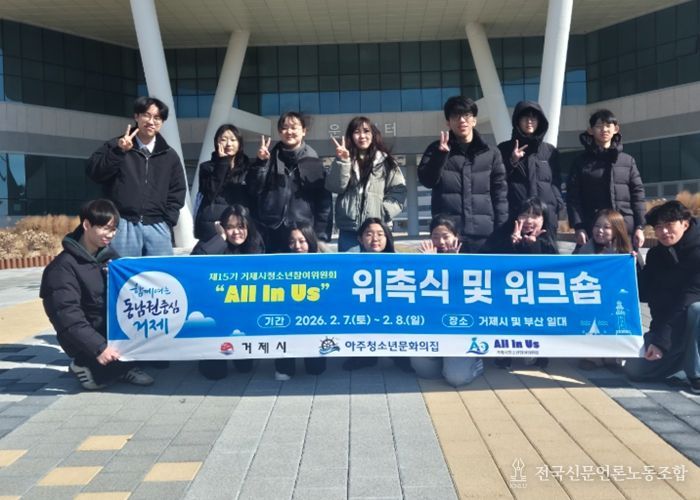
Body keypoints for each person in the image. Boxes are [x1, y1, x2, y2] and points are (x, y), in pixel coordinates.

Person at [39, 199, 154, 390]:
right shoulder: (62, 268)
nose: (111, 234)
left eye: (114, 229)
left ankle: (122, 366)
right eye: (105, 228)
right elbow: (67, 316)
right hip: (85, 337)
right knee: (100, 379)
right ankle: (82, 364)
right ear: (86, 225)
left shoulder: (110, 258)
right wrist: (99, 348)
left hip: (108, 328)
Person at [86, 96, 187, 257]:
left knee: (159, 271)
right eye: (146, 115)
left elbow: (177, 191)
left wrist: (168, 222)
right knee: (125, 270)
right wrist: (119, 152)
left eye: (157, 118)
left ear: (162, 122)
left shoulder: (169, 155)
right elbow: (95, 173)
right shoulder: (115, 145)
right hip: (123, 224)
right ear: (136, 116)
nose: (151, 121)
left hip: (157, 226)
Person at [624, 200, 700, 394]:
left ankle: (696, 373)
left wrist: (661, 342)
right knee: (634, 369)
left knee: (697, 309)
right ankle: (682, 364)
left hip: (692, 326)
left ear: (685, 223)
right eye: (658, 227)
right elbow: (644, 294)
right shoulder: (656, 255)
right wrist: (634, 265)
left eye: (669, 225)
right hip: (670, 327)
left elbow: (688, 299)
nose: (664, 231)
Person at [417, 95, 508, 253]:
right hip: (449, 235)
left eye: (466, 115)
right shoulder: (436, 149)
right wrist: (440, 156)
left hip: (485, 235)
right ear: (448, 122)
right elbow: (427, 181)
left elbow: (500, 195)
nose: (462, 120)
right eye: (455, 116)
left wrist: (502, 230)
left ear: (474, 120)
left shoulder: (491, 153)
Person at [191, 204, 264, 380]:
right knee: (216, 374)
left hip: (242, 312)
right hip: (215, 312)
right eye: (230, 227)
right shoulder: (212, 241)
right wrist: (221, 238)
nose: (236, 232)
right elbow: (194, 263)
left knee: (245, 368)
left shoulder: (255, 244)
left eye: (240, 227)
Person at [485, 198, 558, 369]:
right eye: (525, 215)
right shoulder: (503, 234)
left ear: (544, 219)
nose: (529, 220)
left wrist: (533, 246)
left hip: (535, 298)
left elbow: (552, 271)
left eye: (536, 216)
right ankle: (505, 352)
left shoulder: (548, 240)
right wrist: (511, 244)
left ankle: (537, 351)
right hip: (507, 295)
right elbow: (489, 261)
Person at [412, 215, 483, 387]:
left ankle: (475, 362)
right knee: (424, 372)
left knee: (456, 378)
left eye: (446, 236)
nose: (441, 242)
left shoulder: (470, 260)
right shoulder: (423, 260)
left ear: (456, 237)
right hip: (432, 327)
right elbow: (417, 295)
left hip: (459, 328)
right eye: (435, 237)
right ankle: (444, 363)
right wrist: (429, 265)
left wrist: (453, 264)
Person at [251, 112, 332, 252]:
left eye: (294, 127)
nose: (289, 132)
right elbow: (254, 189)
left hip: (303, 232)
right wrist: (260, 163)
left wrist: (321, 235)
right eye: (284, 128)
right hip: (272, 230)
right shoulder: (268, 159)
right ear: (279, 132)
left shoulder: (314, 162)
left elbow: (324, 203)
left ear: (304, 131)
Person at [566, 109, 646, 250]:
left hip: (624, 228)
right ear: (591, 130)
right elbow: (573, 198)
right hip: (593, 229)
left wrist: (640, 226)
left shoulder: (627, 161)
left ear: (616, 129)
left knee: (630, 263)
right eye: (599, 126)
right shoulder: (580, 162)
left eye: (608, 126)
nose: (604, 130)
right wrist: (579, 226)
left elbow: (638, 195)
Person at [342, 218, 413, 372]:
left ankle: (398, 354)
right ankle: (364, 355)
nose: (375, 239)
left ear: (387, 237)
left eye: (380, 234)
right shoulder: (349, 259)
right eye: (369, 234)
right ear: (360, 239)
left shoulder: (400, 260)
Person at [576, 209, 643, 371]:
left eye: (606, 227)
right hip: (591, 299)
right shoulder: (585, 250)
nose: (600, 231)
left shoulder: (627, 251)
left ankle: (613, 355)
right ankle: (591, 356)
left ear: (617, 230)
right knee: (590, 324)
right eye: (597, 226)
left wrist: (633, 263)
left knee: (616, 322)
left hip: (616, 300)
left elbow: (640, 280)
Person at [326, 116, 407, 252]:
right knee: (350, 264)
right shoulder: (343, 158)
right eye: (357, 132)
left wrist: (383, 212)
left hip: (377, 228)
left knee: (379, 264)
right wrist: (343, 162)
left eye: (366, 131)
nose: (362, 136)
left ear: (373, 134)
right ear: (351, 136)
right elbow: (335, 187)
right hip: (349, 229)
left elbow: (399, 190)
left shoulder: (386, 161)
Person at [497, 100, 564, 236]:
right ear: (517, 121)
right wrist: (512, 161)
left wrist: (558, 207)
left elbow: (555, 183)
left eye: (534, 117)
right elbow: (497, 181)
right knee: (515, 248)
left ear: (540, 121)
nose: (529, 121)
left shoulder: (550, 151)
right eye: (525, 117)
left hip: (546, 216)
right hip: (515, 215)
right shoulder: (504, 149)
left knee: (546, 249)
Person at [273, 223, 328, 380]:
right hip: (287, 317)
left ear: (310, 241)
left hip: (314, 319)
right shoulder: (278, 262)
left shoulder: (324, 261)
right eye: (292, 241)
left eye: (302, 241)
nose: (297, 246)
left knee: (316, 370)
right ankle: (284, 365)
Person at [194, 124, 253, 241]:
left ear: (240, 143)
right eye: (223, 139)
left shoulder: (248, 168)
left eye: (233, 140)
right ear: (217, 142)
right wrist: (222, 163)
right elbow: (210, 192)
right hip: (213, 225)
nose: (228, 144)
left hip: (240, 226)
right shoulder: (206, 167)